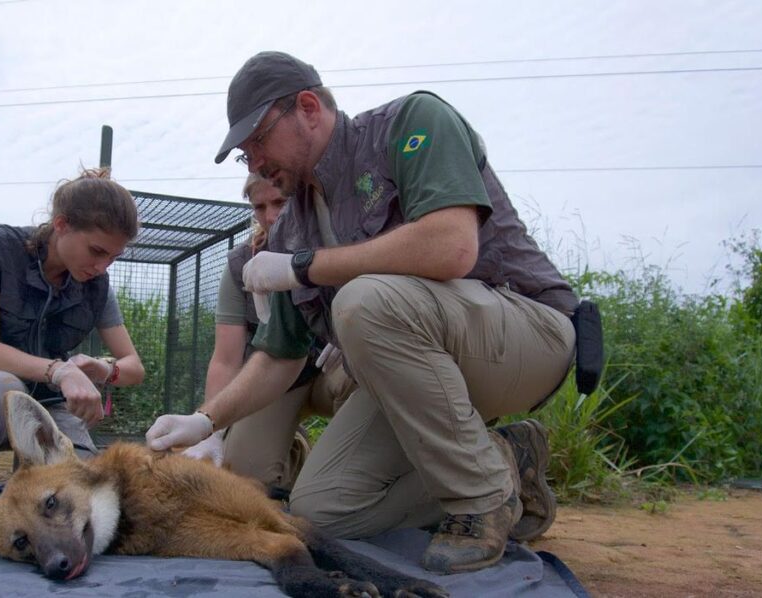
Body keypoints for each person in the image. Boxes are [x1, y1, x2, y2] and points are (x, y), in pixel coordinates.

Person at [146, 51, 578, 574]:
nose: (255, 161)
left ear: (308, 107)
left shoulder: (410, 124)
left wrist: (304, 268)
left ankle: (480, 500)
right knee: (323, 510)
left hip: (526, 335)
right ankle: (507, 464)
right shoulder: (291, 227)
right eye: (244, 154)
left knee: (363, 300)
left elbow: (452, 246)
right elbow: (277, 357)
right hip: (426, 367)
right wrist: (205, 420)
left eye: (258, 139)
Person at [0, 168, 146, 497]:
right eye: (96, 251)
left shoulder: (97, 286)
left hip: (48, 403)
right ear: (61, 225)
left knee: (80, 487)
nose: (102, 268)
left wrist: (103, 369)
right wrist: (60, 370)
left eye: (113, 258)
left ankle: (36, 489)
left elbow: (134, 367)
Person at [181, 173, 356, 496]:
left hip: (329, 374)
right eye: (259, 206)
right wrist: (209, 430)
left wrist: (351, 335)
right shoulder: (240, 266)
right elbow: (225, 359)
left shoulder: (340, 245)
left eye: (280, 202)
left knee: (361, 373)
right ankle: (296, 450)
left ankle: (351, 476)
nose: (271, 216)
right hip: (273, 384)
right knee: (244, 475)